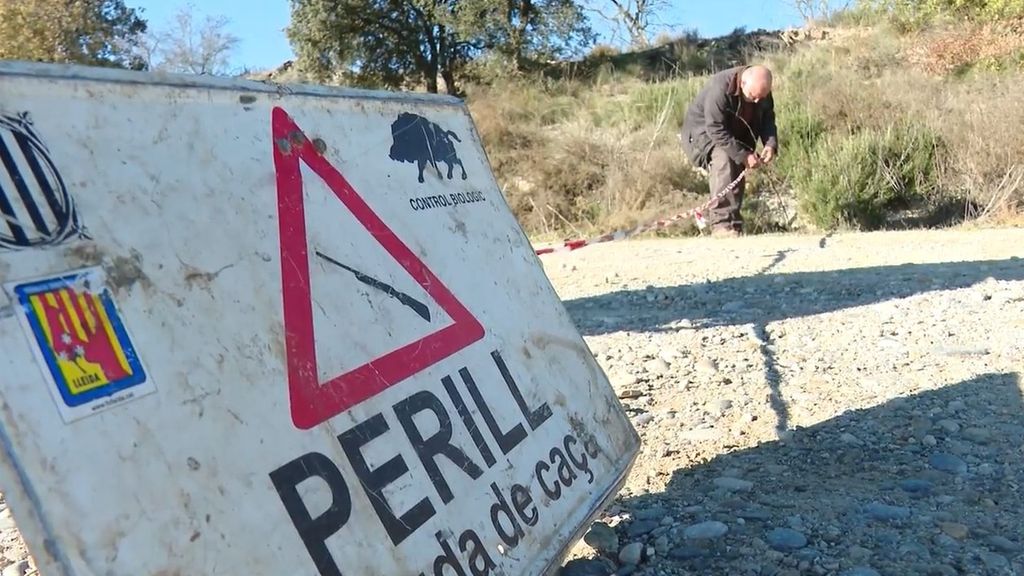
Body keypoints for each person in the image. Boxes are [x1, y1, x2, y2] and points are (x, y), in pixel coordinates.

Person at [680, 64, 778, 237]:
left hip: (733, 134)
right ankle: (721, 225)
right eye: (753, 96)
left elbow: (768, 119)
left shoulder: (761, 92)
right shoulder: (720, 88)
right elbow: (715, 128)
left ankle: (734, 225)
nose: (757, 101)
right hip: (701, 136)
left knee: (736, 166)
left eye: (761, 97)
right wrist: (743, 155)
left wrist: (770, 143)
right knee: (725, 158)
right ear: (743, 83)